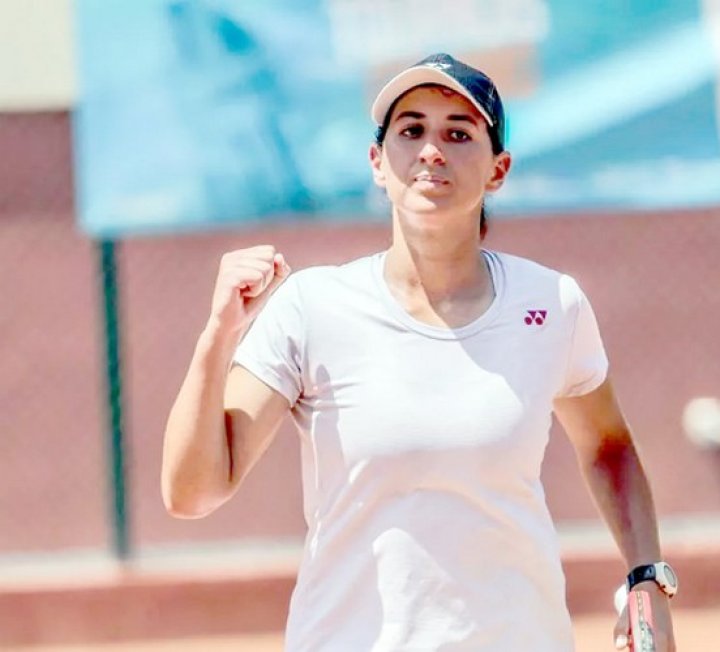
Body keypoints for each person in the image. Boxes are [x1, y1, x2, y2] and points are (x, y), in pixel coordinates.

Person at [162, 53, 677, 652]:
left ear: (498, 170)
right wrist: (217, 336)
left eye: (458, 133)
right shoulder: (311, 306)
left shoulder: (551, 304)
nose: (432, 150)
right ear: (379, 163)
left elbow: (609, 448)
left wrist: (648, 581)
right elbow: (192, 491)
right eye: (411, 131)